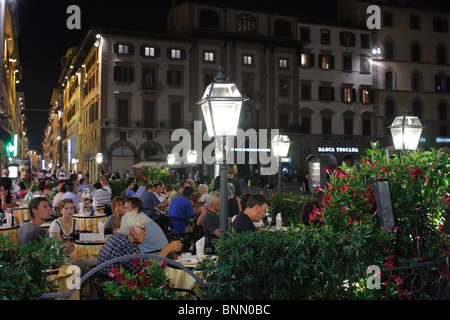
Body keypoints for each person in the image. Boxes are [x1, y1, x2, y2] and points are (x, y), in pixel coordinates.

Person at [97, 211, 149, 278]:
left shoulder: (117, 238)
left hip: (103, 282)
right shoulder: (125, 244)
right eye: (143, 229)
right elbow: (144, 270)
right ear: (132, 230)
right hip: (115, 285)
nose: (145, 233)